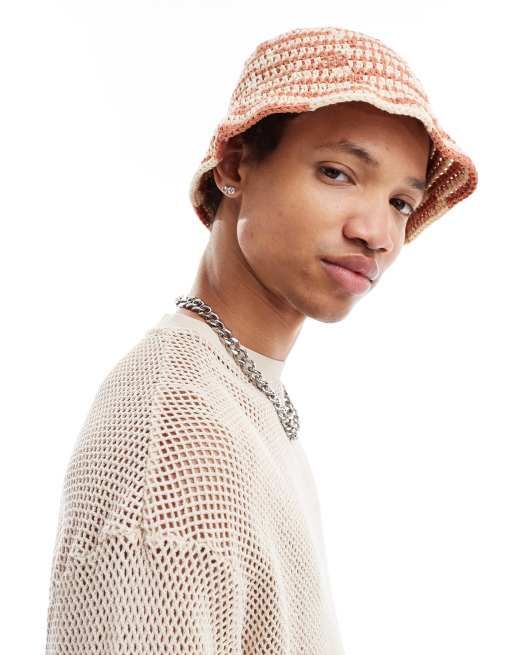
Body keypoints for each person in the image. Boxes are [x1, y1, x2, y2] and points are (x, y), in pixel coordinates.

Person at [45, 26, 478, 654]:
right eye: (337, 173)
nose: (377, 233)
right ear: (235, 165)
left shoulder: (240, 391)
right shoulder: (178, 438)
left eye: (401, 203)